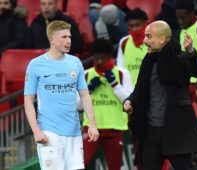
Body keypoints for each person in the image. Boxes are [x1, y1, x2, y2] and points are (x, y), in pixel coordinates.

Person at [123, 20, 197, 170]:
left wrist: (191, 51)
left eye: (149, 36)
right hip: (151, 131)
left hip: (175, 130)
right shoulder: (148, 61)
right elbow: (140, 89)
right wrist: (129, 101)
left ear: (161, 39)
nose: (144, 40)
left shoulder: (180, 58)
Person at [24, 20, 99, 170]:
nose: (69, 41)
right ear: (52, 39)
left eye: (69, 37)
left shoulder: (75, 62)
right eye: (64, 37)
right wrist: (36, 131)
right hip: (49, 132)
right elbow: (28, 100)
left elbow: (85, 95)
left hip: (74, 132)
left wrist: (92, 124)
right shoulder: (35, 65)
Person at [78, 38, 133, 170]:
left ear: (110, 56)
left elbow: (130, 102)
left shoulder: (121, 74)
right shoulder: (86, 75)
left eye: (103, 58)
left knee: (114, 167)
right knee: (80, 164)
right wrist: (88, 91)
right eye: (96, 58)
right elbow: (79, 107)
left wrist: (115, 85)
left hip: (114, 129)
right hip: (91, 128)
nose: (99, 61)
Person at [116, 8, 148, 87]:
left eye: (137, 25)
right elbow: (120, 68)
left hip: (151, 89)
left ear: (144, 23)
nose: (134, 29)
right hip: (131, 91)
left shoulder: (153, 40)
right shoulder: (124, 42)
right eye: (131, 26)